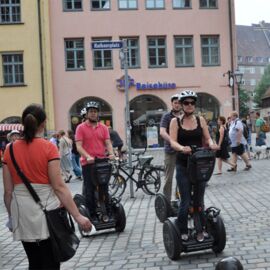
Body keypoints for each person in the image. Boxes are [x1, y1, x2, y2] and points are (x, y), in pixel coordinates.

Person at [2, 104, 91, 270]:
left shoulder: (9, 149)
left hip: (22, 211)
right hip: (46, 210)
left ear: (24, 122)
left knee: (34, 262)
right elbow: (58, 186)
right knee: (51, 262)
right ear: (43, 124)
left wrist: (12, 217)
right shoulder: (48, 147)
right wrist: (78, 216)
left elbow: (7, 192)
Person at [170, 90, 219, 242]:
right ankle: (182, 229)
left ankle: (201, 228)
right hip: (183, 165)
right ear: (182, 105)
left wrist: (212, 144)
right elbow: (172, 141)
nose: (189, 105)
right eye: (186, 103)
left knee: (199, 200)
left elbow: (208, 138)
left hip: (199, 165)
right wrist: (181, 148)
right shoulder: (175, 122)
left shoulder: (200, 120)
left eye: (192, 103)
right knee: (185, 200)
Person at [75, 101, 115, 221]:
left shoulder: (103, 127)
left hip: (102, 161)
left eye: (95, 112)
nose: (93, 114)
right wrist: (87, 156)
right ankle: (92, 215)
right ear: (87, 114)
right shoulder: (80, 128)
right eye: (91, 112)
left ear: (98, 114)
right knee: (90, 189)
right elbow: (79, 146)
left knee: (104, 188)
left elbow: (108, 142)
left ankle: (108, 212)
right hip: (88, 163)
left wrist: (111, 153)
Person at [160, 94, 182, 202]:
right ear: (172, 104)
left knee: (182, 176)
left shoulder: (184, 116)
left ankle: (180, 197)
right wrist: (172, 141)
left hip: (182, 151)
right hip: (170, 151)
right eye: (175, 103)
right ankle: (167, 201)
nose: (177, 105)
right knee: (169, 178)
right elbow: (162, 132)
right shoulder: (166, 116)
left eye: (179, 103)